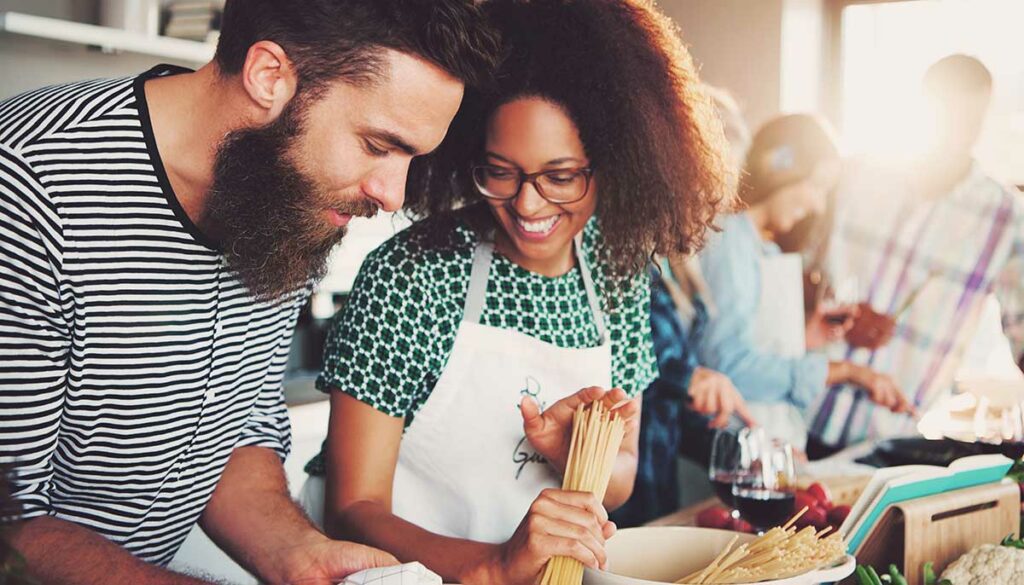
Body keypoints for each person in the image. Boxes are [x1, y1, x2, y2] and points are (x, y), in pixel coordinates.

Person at [0, 1, 499, 584]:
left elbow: (236, 438)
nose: (392, 195)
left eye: (413, 156)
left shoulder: (284, 197)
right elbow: (11, 527)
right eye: (377, 144)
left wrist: (298, 555)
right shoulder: (31, 190)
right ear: (269, 76)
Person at [299, 1, 729, 583]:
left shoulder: (615, 275)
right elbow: (350, 511)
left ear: (616, 164)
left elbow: (621, 474)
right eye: (501, 171)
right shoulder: (413, 275)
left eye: (560, 176)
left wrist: (569, 452)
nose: (527, 204)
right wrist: (495, 567)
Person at [807, 55, 1024, 456]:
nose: (956, 134)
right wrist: (828, 317)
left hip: (891, 442)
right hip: (794, 412)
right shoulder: (853, 175)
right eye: (947, 116)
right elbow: (790, 271)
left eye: (969, 121)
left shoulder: (1005, 217)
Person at [698, 114, 912, 450]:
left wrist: (807, 339)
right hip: (727, 449)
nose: (818, 204)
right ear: (778, 168)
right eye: (816, 185)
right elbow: (732, 367)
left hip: (767, 446)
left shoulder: (762, 247)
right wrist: (848, 372)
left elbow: (757, 346)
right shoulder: (729, 240)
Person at [612, 87, 755, 528]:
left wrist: (741, 449)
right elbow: (629, 363)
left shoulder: (680, 267)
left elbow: (677, 402)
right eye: (707, 187)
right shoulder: (622, 257)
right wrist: (688, 376)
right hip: (618, 486)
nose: (716, 205)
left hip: (658, 480)